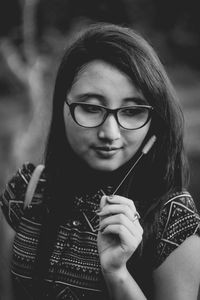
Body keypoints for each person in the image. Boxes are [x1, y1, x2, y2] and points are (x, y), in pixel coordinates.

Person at [0, 22, 200, 300]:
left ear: (154, 119)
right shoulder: (26, 191)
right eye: (92, 108)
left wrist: (117, 274)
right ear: (62, 106)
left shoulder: (173, 217)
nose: (110, 133)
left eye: (131, 111)